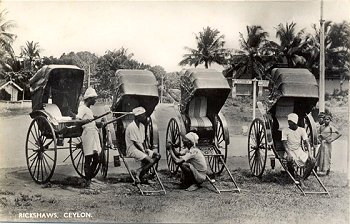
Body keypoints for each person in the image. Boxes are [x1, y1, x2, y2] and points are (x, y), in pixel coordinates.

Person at [125, 106, 161, 184]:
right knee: (151, 161)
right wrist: (144, 152)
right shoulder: (131, 127)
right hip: (133, 149)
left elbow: (143, 141)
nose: (145, 117)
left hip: (140, 148)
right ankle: (140, 175)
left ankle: (140, 170)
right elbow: (135, 143)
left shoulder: (141, 126)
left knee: (157, 156)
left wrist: (147, 150)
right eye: (143, 115)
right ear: (138, 116)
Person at [75, 87, 103, 188]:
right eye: (94, 98)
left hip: (94, 134)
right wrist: (84, 121)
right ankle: (88, 180)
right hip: (87, 134)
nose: (95, 100)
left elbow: (92, 122)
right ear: (89, 99)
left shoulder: (88, 109)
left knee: (97, 158)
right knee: (88, 157)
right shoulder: (82, 108)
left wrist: (97, 122)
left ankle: (89, 177)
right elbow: (77, 121)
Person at [282, 113, 315, 185]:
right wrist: (288, 153)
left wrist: (310, 154)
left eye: (290, 122)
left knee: (312, 161)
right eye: (288, 122)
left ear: (295, 122)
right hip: (290, 150)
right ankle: (293, 178)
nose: (289, 124)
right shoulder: (285, 130)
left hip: (299, 150)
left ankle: (302, 179)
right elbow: (284, 144)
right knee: (289, 159)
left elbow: (307, 143)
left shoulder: (302, 130)